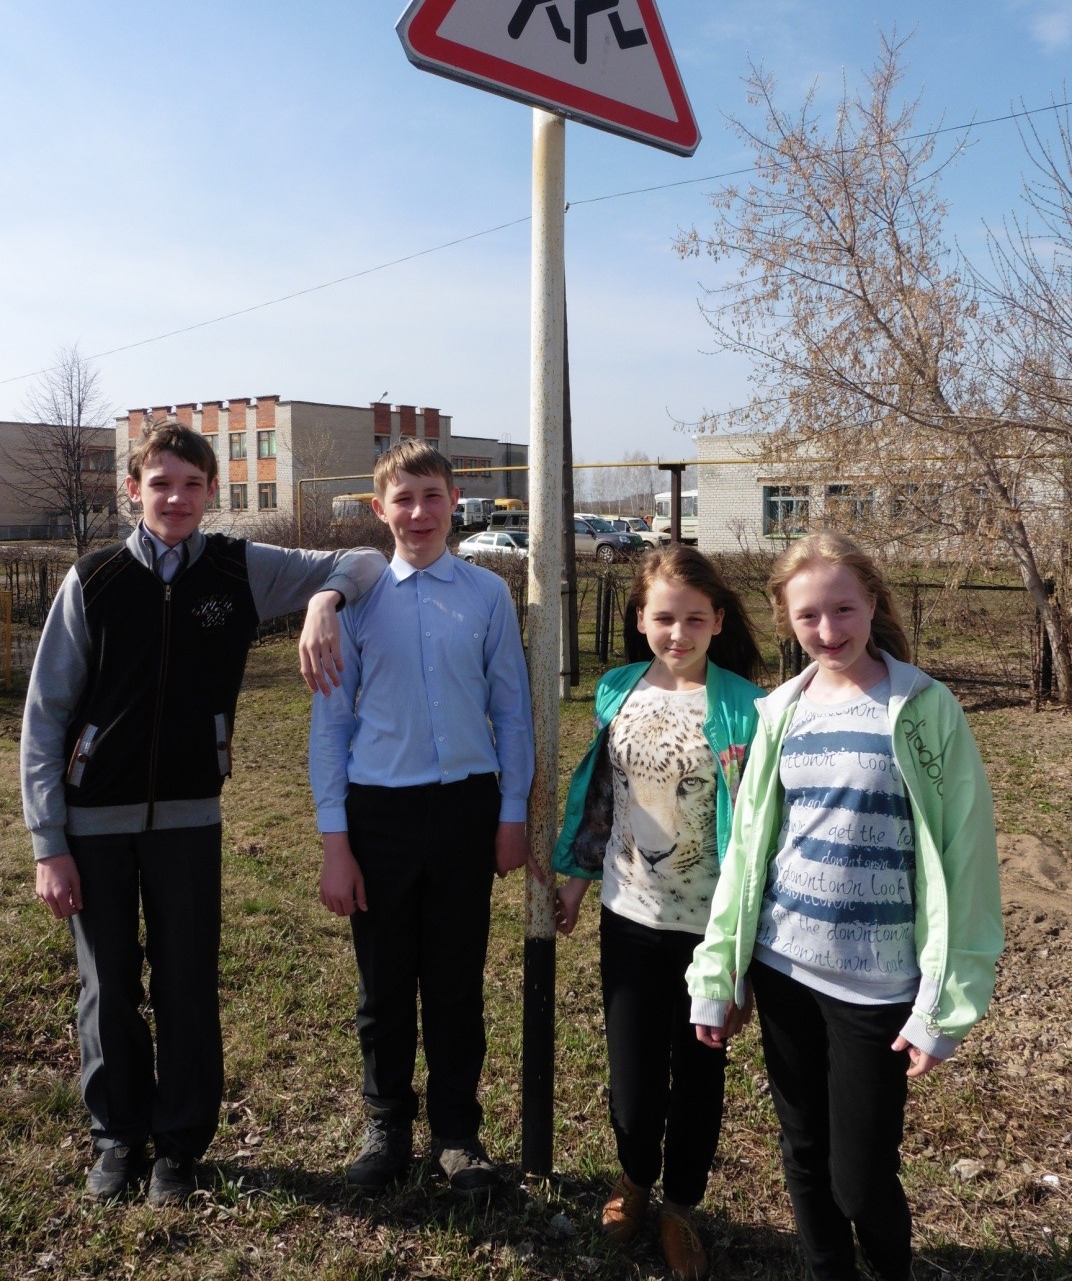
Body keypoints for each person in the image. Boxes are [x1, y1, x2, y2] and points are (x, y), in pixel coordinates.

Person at [22, 420, 387, 1205]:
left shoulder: (237, 568)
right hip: (93, 823)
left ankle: (179, 1147)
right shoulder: (93, 580)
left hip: (190, 819)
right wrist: (49, 842)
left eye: (192, 484)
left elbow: (366, 558)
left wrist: (324, 599)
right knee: (106, 985)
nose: (177, 498)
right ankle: (118, 1137)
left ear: (212, 491)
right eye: (161, 483)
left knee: (186, 983)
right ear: (133, 491)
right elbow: (45, 716)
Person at [687, 532, 1004, 1281]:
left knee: (860, 1179)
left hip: (878, 989)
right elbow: (748, 850)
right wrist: (718, 970)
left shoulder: (923, 709)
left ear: (872, 604)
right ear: (785, 619)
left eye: (843, 609)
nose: (828, 630)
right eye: (809, 615)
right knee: (803, 1150)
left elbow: (966, 859)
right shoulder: (780, 711)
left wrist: (945, 1005)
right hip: (784, 971)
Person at [308, 440, 536, 1198]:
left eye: (431, 496)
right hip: (379, 816)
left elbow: (511, 708)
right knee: (383, 986)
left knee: (455, 981)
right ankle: (387, 1127)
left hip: (467, 809)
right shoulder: (357, 600)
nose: (418, 512)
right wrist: (336, 842)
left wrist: (511, 812)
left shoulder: (487, 595)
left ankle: (457, 1133)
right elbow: (331, 725)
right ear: (380, 509)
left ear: (454, 501)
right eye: (402, 499)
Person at [553, 546, 765, 1279]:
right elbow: (604, 798)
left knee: (700, 1077)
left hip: (712, 933)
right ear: (641, 618)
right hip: (629, 918)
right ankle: (635, 1177)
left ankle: (681, 1206)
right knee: (633, 1080)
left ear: (719, 621)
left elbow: (760, 825)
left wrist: (746, 947)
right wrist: (577, 880)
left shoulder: (747, 706)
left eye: (695, 618)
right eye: (665, 617)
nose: (679, 632)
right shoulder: (617, 689)